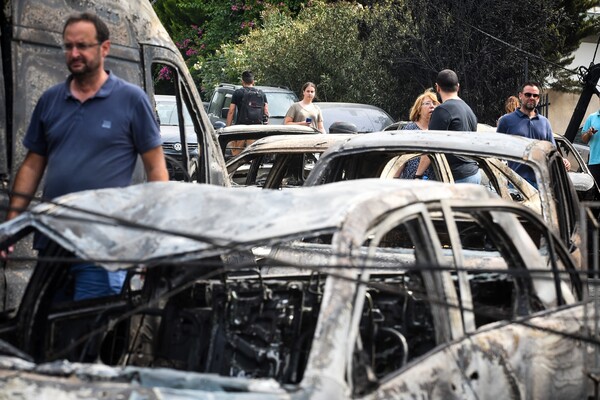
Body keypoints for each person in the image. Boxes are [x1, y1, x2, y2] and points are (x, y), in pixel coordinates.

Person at [5, 12, 169, 301]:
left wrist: (153, 236)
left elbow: (156, 169)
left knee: (88, 337)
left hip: (103, 246)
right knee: (43, 334)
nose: (74, 53)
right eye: (68, 47)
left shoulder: (131, 100)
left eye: (82, 46)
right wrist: (12, 224)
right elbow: (32, 165)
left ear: (104, 48)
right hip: (53, 242)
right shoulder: (50, 100)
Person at [496, 82, 568, 186]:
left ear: (538, 98)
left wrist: (563, 161)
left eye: (535, 95)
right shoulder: (506, 121)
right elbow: (497, 152)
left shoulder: (545, 122)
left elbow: (552, 151)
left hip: (542, 184)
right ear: (520, 95)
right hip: (516, 183)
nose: (532, 97)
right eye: (528, 94)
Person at [428, 69, 481, 184]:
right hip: (474, 173)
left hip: (456, 176)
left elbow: (430, 146)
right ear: (458, 87)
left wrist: (418, 174)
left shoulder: (442, 111)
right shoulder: (469, 110)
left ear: (437, 87)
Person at [398, 91, 439, 179]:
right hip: (411, 180)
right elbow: (401, 157)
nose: (432, 106)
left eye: (434, 103)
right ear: (419, 110)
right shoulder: (409, 129)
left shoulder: (438, 129)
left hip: (434, 182)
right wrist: (395, 178)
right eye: (427, 103)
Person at [581, 108, 600, 186]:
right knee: (596, 194)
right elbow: (583, 139)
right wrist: (589, 133)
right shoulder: (592, 117)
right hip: (595, 162)